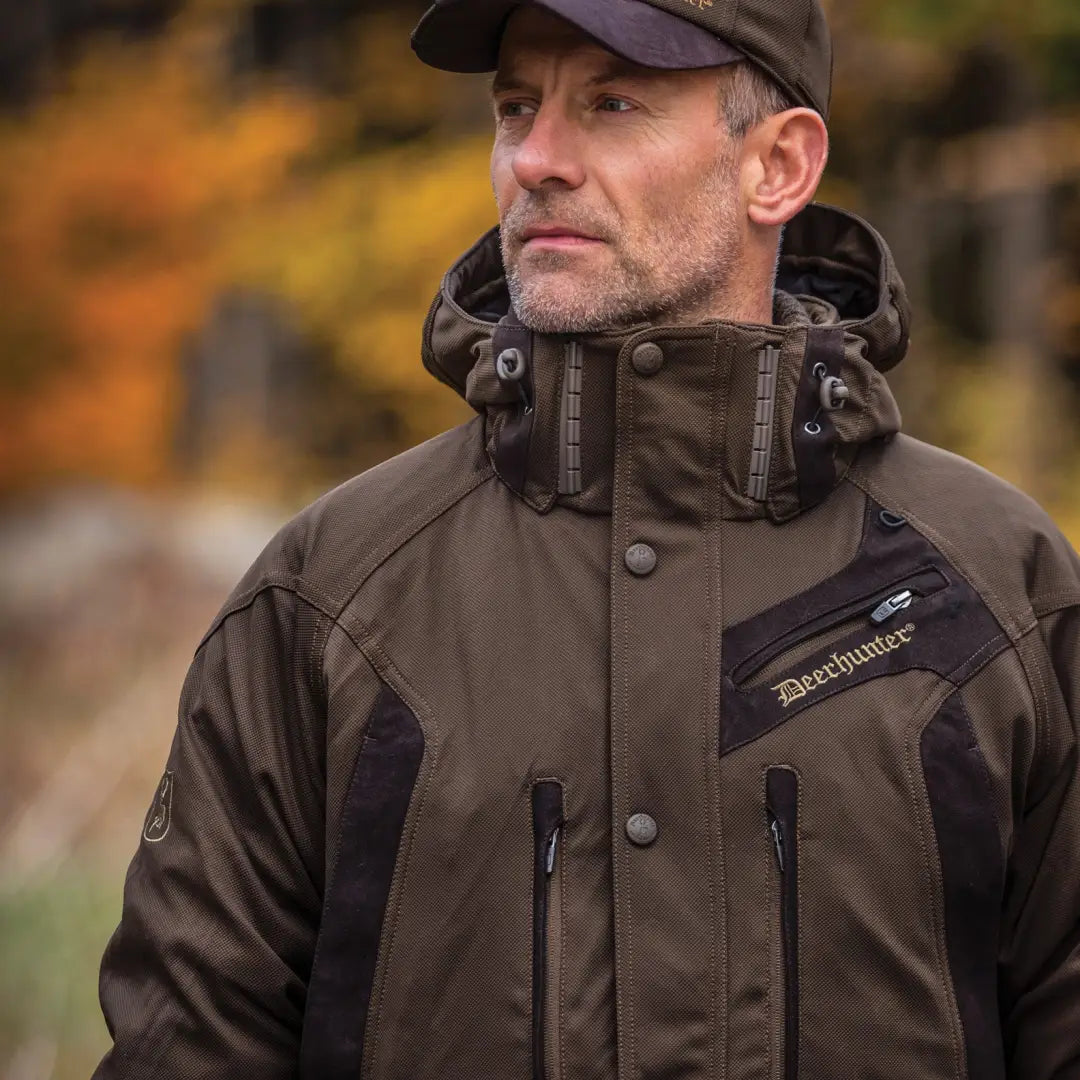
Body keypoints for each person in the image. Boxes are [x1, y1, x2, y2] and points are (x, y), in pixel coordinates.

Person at [94, 0, 1080, 1076]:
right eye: (517, 107)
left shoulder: (996, 588)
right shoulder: (328, 595)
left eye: (612, 102)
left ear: (779, 167)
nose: (537, 159)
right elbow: (186, 1048)